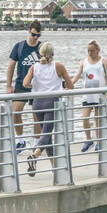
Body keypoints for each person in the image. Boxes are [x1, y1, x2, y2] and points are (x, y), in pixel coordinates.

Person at [22, 43, 74, 176]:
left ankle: (55, 168)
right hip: (52, 102)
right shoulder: (59, 66)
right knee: (46, 134)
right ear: (53, 54)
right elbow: (71, 85)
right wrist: (62, 87)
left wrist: (36, 84)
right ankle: (34, 155)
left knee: (47, 136)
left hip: (37, 103)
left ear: (40, 53)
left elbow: (25, 83)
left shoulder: (34, 67)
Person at [6, 20, 44, 154]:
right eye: (33, 35)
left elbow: (49, 66)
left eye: (38, 36)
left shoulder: (42, 48)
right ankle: (21, 140)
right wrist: (8, 85)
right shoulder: (19, 46)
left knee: (37, 116)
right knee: (15, 112)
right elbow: (11, 67)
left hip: (37, 85)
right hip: (21, 83)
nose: (35, 38)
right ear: (29, 31)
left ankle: (36, 142)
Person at [77, 40, 107, 152]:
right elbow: (77, 75)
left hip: (99, 94)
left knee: (97, 119)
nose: (90, 53)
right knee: (85, 117)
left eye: (92, 51)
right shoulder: (84, 62)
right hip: (87, 94)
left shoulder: (103, 61)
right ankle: (88, 140)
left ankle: (98, 142)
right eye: (88, 51)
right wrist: (69, 84)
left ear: (97, 50)